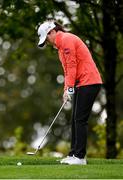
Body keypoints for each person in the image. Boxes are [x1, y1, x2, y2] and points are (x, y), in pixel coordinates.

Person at [37, 20, 102, 165]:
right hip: (81, 83)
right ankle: (73, 154)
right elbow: (67, 71)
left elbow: (72, 66)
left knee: (80, 119)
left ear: (52, 32)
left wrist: (70, 87)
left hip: (90, 81)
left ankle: (80, 157)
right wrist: (66, 89)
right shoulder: (60, 48)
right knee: (74, 119)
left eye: (46, 39)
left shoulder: (66, 39)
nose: (47, 42)